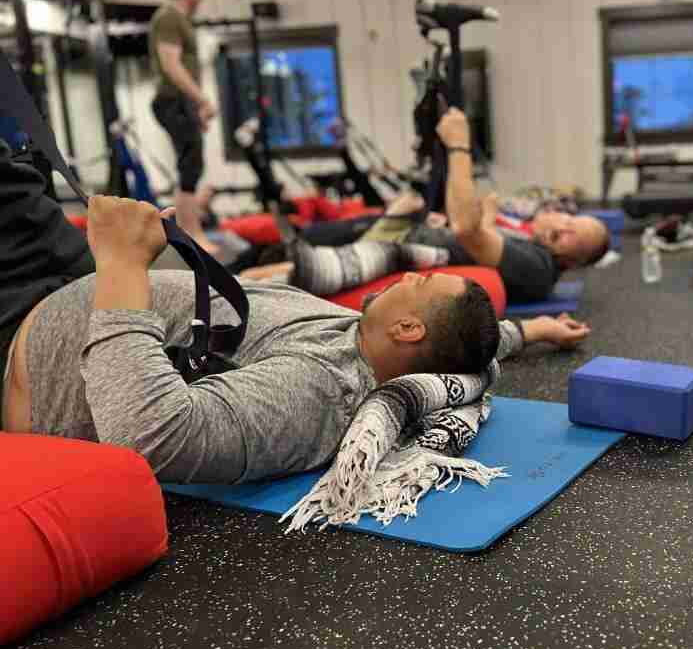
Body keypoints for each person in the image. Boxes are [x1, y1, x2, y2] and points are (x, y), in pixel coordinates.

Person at [0, 145, 592, 484]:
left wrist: (126, 265)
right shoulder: (355, 335)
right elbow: (470, 349)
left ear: (409, 330)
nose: (411, 274)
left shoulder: (317, 386)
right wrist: (532, 331)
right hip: (70, 283)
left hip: (20, 342)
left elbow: (155, 435)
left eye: (422, 281)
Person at [240, 108, 611, 304]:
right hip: (405, 233)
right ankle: (235, 269)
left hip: (400, 251)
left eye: (567, 238)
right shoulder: (528, 239)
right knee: (285, 250)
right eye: (569, 222)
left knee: (294, 262)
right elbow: (474, 228)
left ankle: (221, 286)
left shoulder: (537, 267)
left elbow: (467, 231)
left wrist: (459, 146)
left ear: (570, 263)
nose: (559, 228)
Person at [148, 0, 218, 254]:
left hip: (180, 102)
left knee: (193, 163)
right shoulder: (168, 17)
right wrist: (201, 99)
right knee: (190, 164)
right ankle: (191, 233)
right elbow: (171, 65)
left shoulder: (179, 19)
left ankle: (192, 230)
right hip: (171, 100)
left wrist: (195, 105)